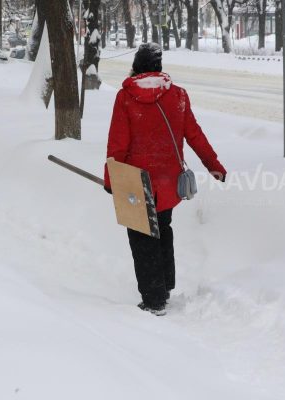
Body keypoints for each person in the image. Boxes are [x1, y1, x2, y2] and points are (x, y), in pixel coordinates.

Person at [103, 43, 226, 316]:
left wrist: (111, 179)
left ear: (136, 66)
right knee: (163, 228)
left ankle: (154, 299)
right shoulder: (178, 96)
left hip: (137, 181)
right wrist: (213, 165)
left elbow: (117, 145)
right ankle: (165, 285)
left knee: (142, 236)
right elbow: (194, 134)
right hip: (168, 181)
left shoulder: (125, 97)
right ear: (158, 67)